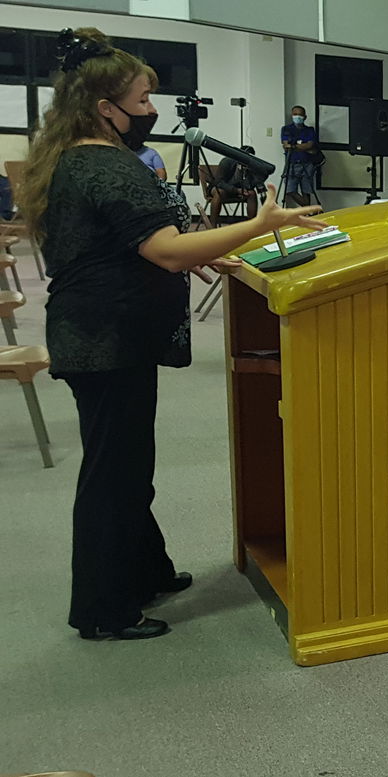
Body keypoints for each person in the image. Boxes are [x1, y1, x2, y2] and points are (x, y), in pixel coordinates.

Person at [16, 28, 327, 641]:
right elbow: (164, 251)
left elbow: (127, 245)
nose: (152, 110)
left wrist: (206, 253)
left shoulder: (74, 156)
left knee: (128, 463)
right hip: (107, 339)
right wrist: (256, 226)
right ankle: (103, 611)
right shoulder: (104, 165)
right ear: (105, 109)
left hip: (99, 332)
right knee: (115, 472)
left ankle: (146, 571)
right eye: (141, 100)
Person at [207, 145, 263, 223]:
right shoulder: (226, 161)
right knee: (220, 192)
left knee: (252, 193)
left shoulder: (251, 166)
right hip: (220, 188)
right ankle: (212, 225)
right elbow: (219, 182)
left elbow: (252, 184)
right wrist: (236, 190)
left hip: (238, 190)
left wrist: (247, 185)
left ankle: (252, 224)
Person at [279, 104, 318, 207]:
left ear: (305, 117)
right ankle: (309, 209)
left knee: (307, 190)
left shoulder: (309, 130)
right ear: (292, 115)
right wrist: (302, 147)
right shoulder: (286, 129)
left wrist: (293, 146)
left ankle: (307, 212)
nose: (297, 117)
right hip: (292, 164)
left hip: (307, 164)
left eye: (300, 115)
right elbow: (286, 145)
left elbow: (310, 144)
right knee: (290, 190)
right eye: (295, 114)